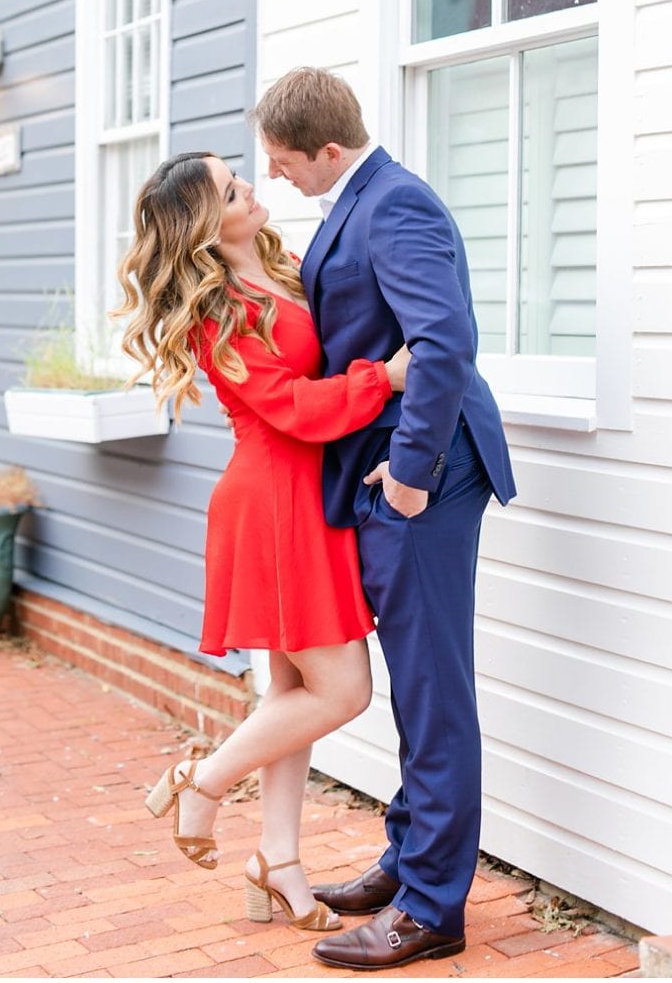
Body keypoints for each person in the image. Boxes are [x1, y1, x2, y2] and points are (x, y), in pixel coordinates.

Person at [251, 66, 515, 970]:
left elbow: (443, 343)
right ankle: (407, 862)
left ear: (328, 148)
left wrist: (408, 477)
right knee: (414, 681)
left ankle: (433, 907)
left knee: (435, 690)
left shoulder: (395, 204)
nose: (276, 176)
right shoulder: (352, 199)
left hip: (424, 480)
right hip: (392, 478)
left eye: (284, 162)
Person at [112, 149, 410, 935]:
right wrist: (385, 378)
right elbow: (291, 408)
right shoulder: (219, 310)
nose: (250, 186)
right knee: (342, 690)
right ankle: (202, 780)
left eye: (239, 176)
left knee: (291, 696)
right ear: (209, 223)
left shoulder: (280, 267)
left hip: (302, 498)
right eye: (232, 188)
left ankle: (277, 859)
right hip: (271, 504)